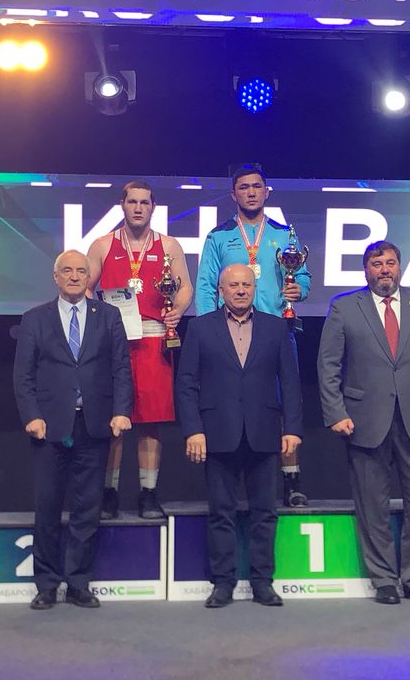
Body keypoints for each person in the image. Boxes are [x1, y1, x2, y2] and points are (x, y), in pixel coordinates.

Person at [317, 240, 410, 605]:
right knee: (372, 505)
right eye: (377, 264)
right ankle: (384, 580)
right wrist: (336, 412)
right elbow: (328, 365)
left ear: (400, 267)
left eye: (390, 263)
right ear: (366, 270)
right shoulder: (344, 306)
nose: (384, 270)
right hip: (363, 422)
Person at [176, 263, 303, 608]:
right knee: (221, 512)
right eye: (233, 285)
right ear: (221, 291)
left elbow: (290, 382)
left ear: (254, 288)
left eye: (246, 284)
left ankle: (263, 582)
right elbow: (186, 384)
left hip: (264, 432)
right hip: (217, 433)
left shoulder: (276, 327)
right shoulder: (200, 328)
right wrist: (193, 430)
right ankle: (223, 583)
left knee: (265, 512)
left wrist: (292, 428)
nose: (241, 290)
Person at [13, 250, 133, 610]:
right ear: (56, 277)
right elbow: (23, 375)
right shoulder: (35, 319)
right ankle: (47, 585)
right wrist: (31, 415)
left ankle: (79, 583)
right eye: (67, 270)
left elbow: (121, 368)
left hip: (94, 425)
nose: (75, 276)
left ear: (89, 277)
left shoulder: (108, 316)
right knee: (48, 508)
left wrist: (121, 411)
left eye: (81, 271)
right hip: (49, 427)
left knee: (87, 509)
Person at [194, 163, 312, 506]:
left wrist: (299, 290)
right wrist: (207, 331)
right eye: (243, 187)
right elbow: (206, 285)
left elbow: (303, 277)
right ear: (233, 194)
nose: (250, 192)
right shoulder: (218, 236)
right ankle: (229, 477)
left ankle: (291, 479)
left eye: (256, 186)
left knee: (284, 401)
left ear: (266, 192)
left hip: (276, 331)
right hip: (230, 334)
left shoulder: (284, 234)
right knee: (231, 402)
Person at [87, 180, 192, 521]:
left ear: (153, 207)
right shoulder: (103, 244)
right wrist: (98, 318)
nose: (138, 208)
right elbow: (86, 288)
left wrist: (177, 310)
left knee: (150, 423)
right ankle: (109, 493)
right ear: (122, 204)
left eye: (144, 202)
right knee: (115, 421)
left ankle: (149, 493)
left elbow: (185, 287)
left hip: (153, 339)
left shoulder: (169, 245)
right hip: (114, 344)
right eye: (132, 201)